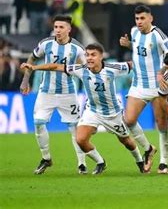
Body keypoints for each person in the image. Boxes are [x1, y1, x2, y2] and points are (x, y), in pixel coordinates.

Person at [21, 43, 145, 175]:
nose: (89, 58)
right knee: (80, 139)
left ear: (101, 57)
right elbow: (57, 66)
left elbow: (134, 64)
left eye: (93, 55)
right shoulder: (80, 69)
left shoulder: (113, 68)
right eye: (87, 55)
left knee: (126, 141)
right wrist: (35, 67)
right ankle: (100, 162)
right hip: (92, 111)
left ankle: (139, 160)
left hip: (112, 113)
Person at [19, 15, 87, 174]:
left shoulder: (78, 48)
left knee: (75, 129)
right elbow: (32, 58)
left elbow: (86, 69)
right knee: (38, 123)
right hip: (46, 92)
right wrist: (25, 79)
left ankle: (82, 164)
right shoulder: (46, 43)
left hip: (68, 93)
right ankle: (46, 158)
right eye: (56, 27)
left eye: (61, 27)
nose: (57, 30)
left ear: (69, 29)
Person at [119, 5, 168, 174]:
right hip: (138, 84)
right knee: (129, 120)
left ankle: (164, 162)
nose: (139, 22)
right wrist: (128, 44)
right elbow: (140, 50)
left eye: (142, 18)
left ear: (150, 18)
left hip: (157, 85)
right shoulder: (134, 32)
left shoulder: (158, 35)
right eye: (137, 19)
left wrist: (163, 72)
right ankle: (148, 149)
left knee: (161, 124)